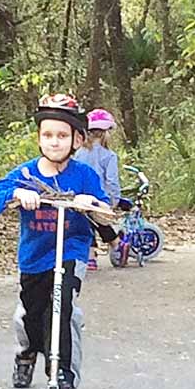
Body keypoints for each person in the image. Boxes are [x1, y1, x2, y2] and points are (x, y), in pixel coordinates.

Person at [0, 93, 109, 389]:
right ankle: (27, 352)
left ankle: (62, 372)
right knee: (32, 315)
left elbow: (106, 216)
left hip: (70, 252)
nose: (54, 142)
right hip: (35, 256)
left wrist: (90, 206)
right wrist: (16, 196)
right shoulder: (25, 174)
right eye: (47, 135)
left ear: (77, 140)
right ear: (39, 138)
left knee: (61, 307)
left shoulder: (85, 175)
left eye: (62, 135)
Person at [74, 108, 122, 270]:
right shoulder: (108, 156)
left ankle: (91, 256)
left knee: (88, 224)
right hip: (100, 197)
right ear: (105, 133)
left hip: (79, 196)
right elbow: (112, 180)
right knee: (102, 222)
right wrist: (114, 200)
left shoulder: (79, 153)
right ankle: (117, 245)